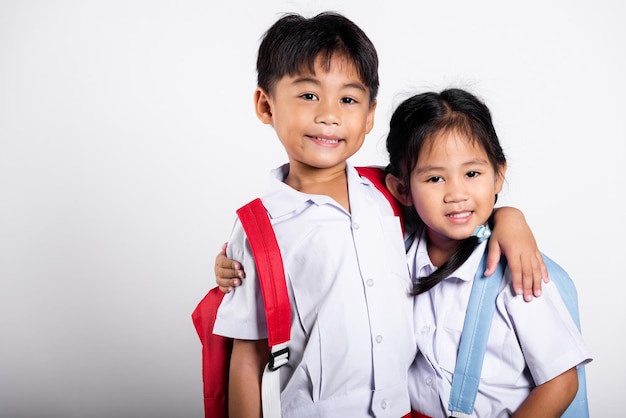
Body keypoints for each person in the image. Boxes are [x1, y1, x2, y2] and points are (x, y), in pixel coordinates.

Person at [210, 11, 546, 418]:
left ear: (369, 115)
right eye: (308, 95)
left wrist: (510, 216)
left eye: (348, 99)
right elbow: (248, 358)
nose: (329, 115)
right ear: (266, 105)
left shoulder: (388, 197)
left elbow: (455, 211)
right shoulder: (259, 230)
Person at [382, 88, 591, 417]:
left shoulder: (519, 270)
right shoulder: (395, 258)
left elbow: (561, 382)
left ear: (498, 175)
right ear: (402, 189)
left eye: (472, 174)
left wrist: (509, 215)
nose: (456, 193)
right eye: (435, 178)